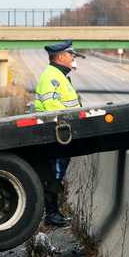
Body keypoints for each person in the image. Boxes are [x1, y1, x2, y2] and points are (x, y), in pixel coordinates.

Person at [33, 40, 86, 227]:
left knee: (56, 174)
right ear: (61, 57)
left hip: (60, 135)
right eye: (71, 55)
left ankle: (54, 213)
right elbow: (54, 110)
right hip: (56, 136)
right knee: (53, 176)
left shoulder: (58, 75)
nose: (73, 58)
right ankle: (52, 214)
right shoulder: (52, 77)